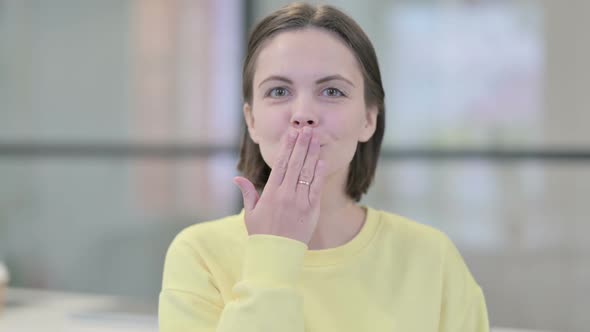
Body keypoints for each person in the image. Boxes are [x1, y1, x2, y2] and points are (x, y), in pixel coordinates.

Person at [159, 2, 489, 331]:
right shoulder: (198, 255)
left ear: (369, 119)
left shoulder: (433, 259)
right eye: (279, 90)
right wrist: (273, 256)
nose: (303, 113)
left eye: (332, 90)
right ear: (252, 121)